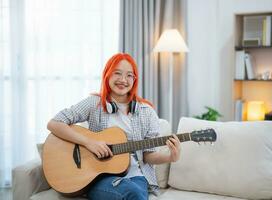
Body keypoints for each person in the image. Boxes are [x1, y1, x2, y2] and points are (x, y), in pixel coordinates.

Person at [47, 53, 181, 200]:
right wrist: (89, 143)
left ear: (134, 80)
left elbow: (147, 155)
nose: (123, 80)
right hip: (99, 178)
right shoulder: (94, 103)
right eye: (117, 73)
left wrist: (170, 157)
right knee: (133, 194)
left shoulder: (147, 112)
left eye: (129, 75)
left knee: (135, 193)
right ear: (108, 74)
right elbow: (54, 123)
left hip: (136, 177)